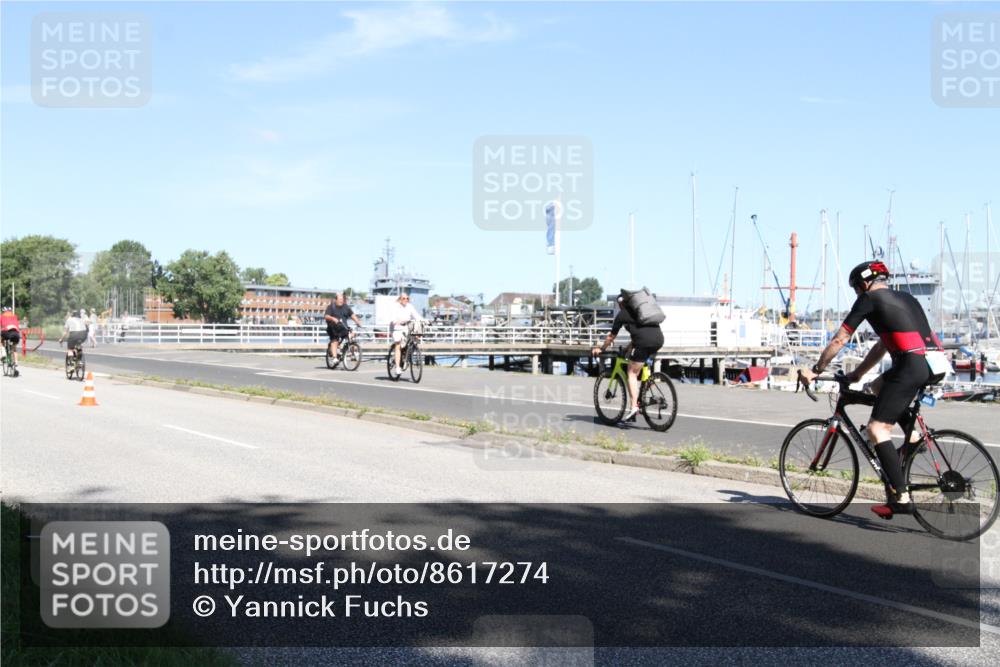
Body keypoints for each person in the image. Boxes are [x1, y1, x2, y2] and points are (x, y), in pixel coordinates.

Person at [800, 260, 946, 519]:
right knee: (877, 387)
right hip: (933, 363)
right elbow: (881, 346)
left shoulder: (868, 299)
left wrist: (816, 370)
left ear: (864, 283)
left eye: (856, 288)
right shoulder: (906, 298)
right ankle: (912, 437)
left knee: (877, 429)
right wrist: (858, 374)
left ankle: (901, 498)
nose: (857, 293)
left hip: (910, 365)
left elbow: (840, 339)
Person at [591, 291, 665, 421]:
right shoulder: (642, 312)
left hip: (643, 342)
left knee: (631, 372)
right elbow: (639, 333)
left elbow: (611, 336)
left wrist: (601, 349)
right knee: (640, 364)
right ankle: (648, 388)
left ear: (621, 303)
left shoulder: (622, 314)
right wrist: (628, 348)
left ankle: (634, 406)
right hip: (659, 340)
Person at [324, 293, 362, 367]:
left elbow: (352, 315)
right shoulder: (331, 307)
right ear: (336, 300)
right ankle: (334, 358)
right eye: (340, 299)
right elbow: (326, 316)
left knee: (352, 335)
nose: (341, 301)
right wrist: (333, 318)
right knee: (335, 340)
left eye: (342, 299)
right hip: (333, 327)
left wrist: (358, 322)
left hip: (343, 327)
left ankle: (352, 352)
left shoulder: (346, 307)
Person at [389, 293, 422, 376]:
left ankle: (406, 356)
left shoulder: (410, 306)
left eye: (407, 298)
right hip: (396, 328)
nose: (406, 300)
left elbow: (416, 316)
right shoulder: (395, 306)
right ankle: (397, 368)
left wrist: (424, 320)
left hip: (406, 328)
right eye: (403, 298)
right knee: (398, 344)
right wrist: (395, 321)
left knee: (412, 339)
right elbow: (392, 317)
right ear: (400, 299)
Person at [1, 307, 22, 376]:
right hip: (16, 333)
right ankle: (16, 362)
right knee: (14, 347)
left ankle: (3, 353)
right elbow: (17, 325)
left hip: (6, 332)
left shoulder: (2, 316)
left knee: (1, 340)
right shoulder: (15, 316)